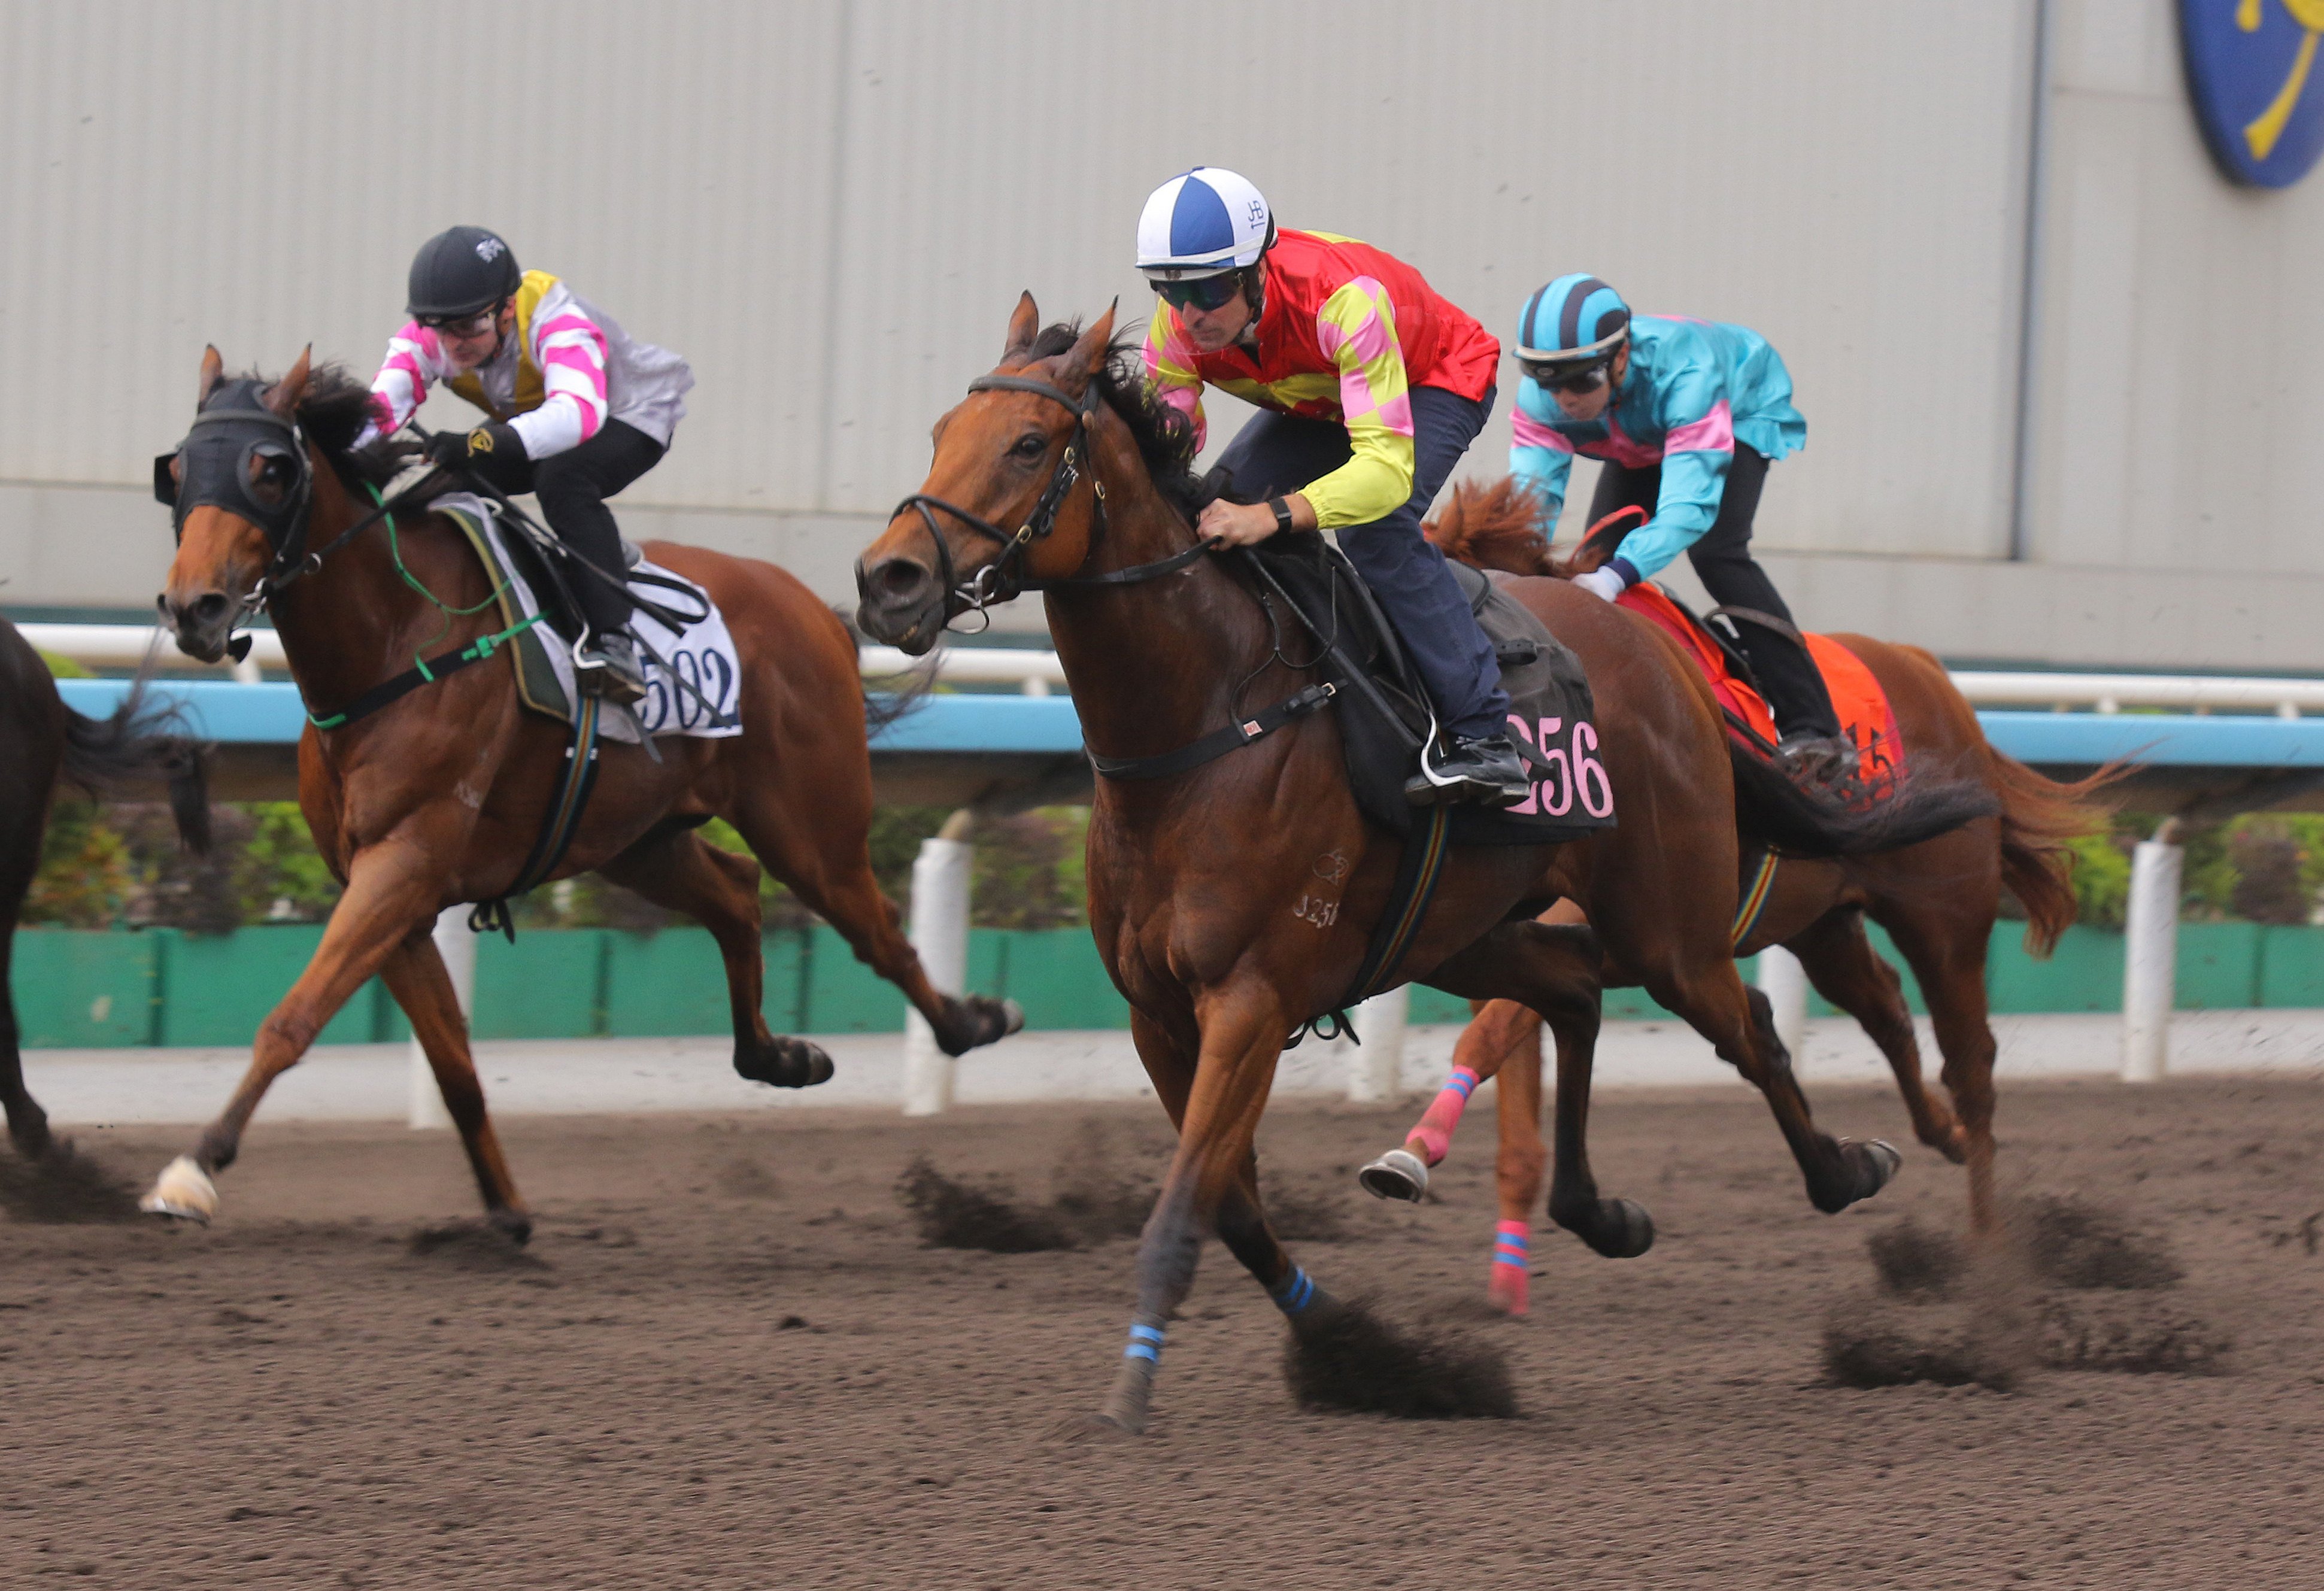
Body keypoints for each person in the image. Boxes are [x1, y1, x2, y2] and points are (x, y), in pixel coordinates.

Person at [1135, 169, 1530, 808]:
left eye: (1207, 289)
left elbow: (1384, 471)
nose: (1189, 314)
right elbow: (1175, 431)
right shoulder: (1177, 324)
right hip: (1318, 397)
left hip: (1434, 377)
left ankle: (1484, 737)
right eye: (1168, 291)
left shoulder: (1344, 300)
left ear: (1256, 271)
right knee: (1213, 513)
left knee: (1375, 528)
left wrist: (1275, 514)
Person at [1507, 274, 1848, 766]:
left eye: (1581, 380)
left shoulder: (1689, 374)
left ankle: (1815, 726)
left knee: (1716, 551)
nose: (1564, 399)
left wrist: (1618, 576)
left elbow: (1689, 509)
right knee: (1594, 559)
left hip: (1739, 409)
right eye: (1547, 379)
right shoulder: (1542, 399)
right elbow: (1530, 503)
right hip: (1641, 428)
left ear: (1620, 356)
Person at [358, 226, 693, 705]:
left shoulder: (556, 318)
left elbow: (578, 415)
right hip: (547, 423)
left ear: (507, 309)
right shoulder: (429, 336)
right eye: (439, 329)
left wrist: (478, 442)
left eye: (469, 327)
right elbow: (377, 416)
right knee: (434, 489)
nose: (453, 345)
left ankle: (614, 643)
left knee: (563, 480)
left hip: (628, 415)